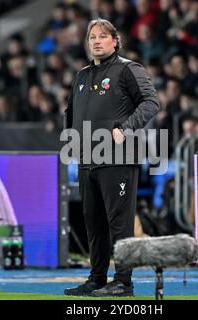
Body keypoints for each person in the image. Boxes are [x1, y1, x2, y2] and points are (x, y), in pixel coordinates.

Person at [64, 18, 159, 297]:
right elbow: (71, 113)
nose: (96, 41)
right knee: (93, 221)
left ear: (115, 41)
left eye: (102, 36)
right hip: (87, 158)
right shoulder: (81, 76)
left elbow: (151, 102)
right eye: (92, 36)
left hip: (117, 158)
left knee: (119, 222)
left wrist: (126, 129)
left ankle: (124, 282)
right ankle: (97, 278)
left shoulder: (129, 69)